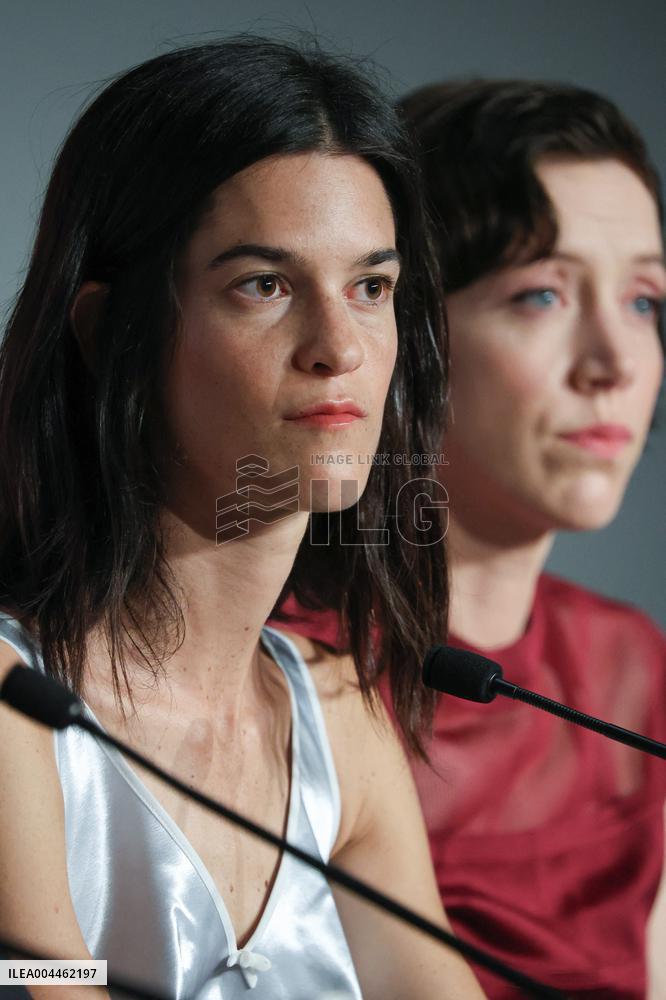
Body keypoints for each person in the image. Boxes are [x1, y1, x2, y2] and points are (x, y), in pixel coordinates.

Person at [0, 39, 486, 1000]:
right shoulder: (15, 703)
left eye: (371, 288)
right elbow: (36, 978)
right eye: (263, 285)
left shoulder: (341, 715)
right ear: (108, 331)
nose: (339, 347)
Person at [279, 79, 666, 997]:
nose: (613, 363)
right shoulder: (279, 679)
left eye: (647, 301)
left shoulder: (632, 666)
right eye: (541, 295)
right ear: (403, 332)